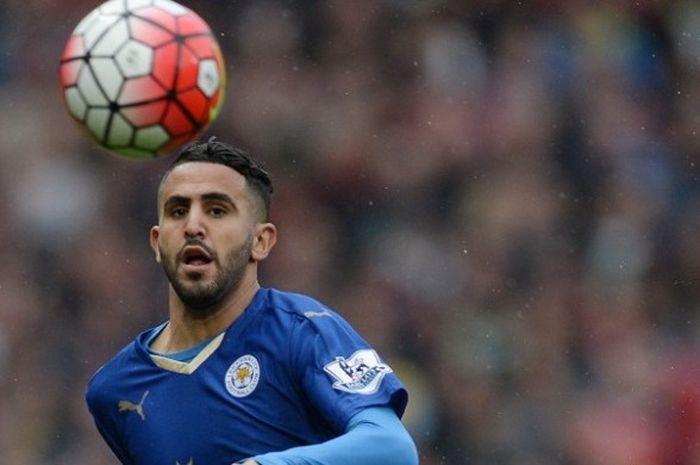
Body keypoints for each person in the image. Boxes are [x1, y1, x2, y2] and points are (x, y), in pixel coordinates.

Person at [86, 137, 419, 465]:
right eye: (178, 210)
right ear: (158, 243)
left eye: (217, 210)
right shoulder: (114, 389)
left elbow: (392, 448)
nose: (193, 226)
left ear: (260, 241)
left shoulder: (300, 330)